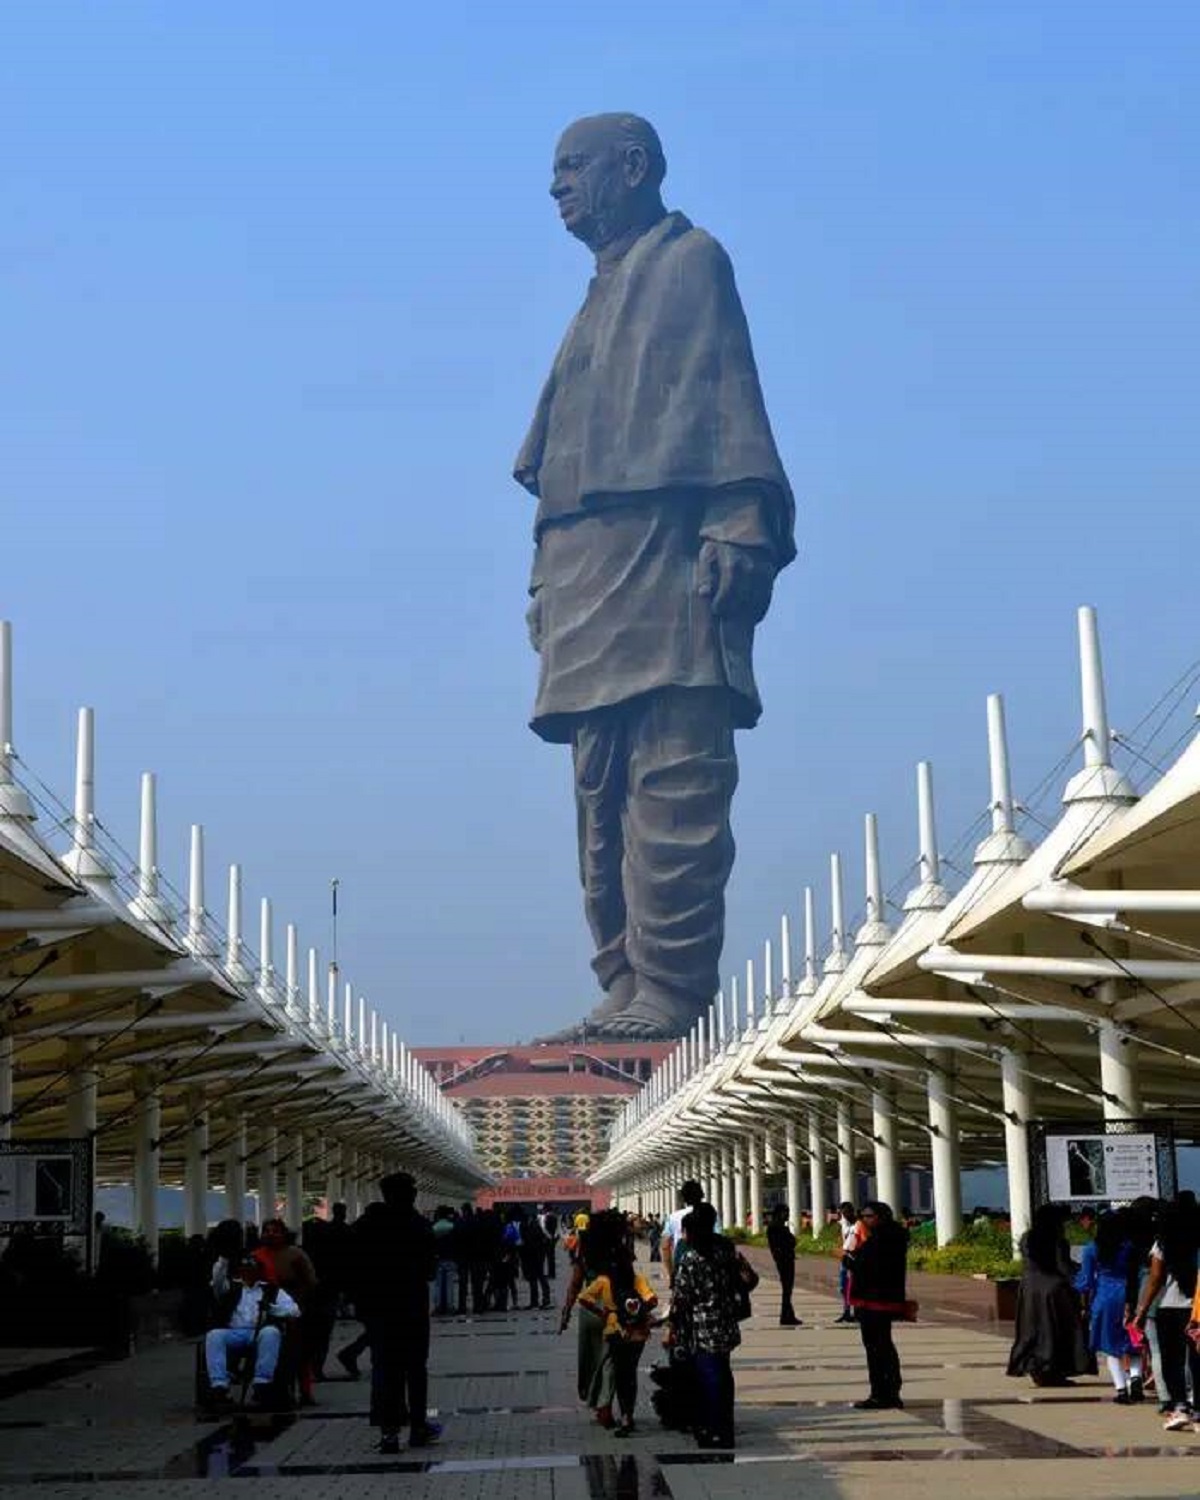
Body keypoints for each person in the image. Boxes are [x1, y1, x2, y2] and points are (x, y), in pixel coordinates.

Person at [516, 113, 796, 1042]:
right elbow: (554, 456)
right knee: (598, 791)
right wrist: (541, 582)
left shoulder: (690, 261)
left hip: (667, 557)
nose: (556, 187)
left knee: (676, 775)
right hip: (584, 568)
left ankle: (672, 991)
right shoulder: (598, 292)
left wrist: (740, 518)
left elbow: (729, 398)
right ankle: (624, 980)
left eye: (571, 168)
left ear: (631, 168)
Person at [352, 1172, 441, 1453]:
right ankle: (418, 1427)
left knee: (384, 1370)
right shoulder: (419, 1225)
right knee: (415, 1368)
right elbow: (429, 1270)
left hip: (378, 1310)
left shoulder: (365, 1226)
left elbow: (353, 1267)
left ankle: (389, 1432)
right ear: (408, 1194)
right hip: (411, 1307)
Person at [668, 1202, 743, 1448]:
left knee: (709, 1378)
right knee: (724, 1375)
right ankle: (726, 1428)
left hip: (702, 1326)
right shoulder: (724, 1250)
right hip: (726, 1321)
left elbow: (682, 1297)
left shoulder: (692, 1258)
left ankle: (713, 1429)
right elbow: (743, 1280)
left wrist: (673, 1326)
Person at [1007, 1203, 1093, 1388]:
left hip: (1029, 1288)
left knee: (1032, 1330)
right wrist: (1082, 1276)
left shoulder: (1027, 1237)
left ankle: (1036, 1367)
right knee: (1055, 1330)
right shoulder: (1056, 1239)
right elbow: (1063, 1267)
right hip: (1053, 1289)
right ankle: (1053, 1370)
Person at [1133, 1198, 1200, 1431]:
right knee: (1196, 1360)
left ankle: (1179, 1407)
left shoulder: (1163, 1242)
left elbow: (1155, 1279)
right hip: (1196, 1308)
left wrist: (1142, 1310)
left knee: (1171, 1359)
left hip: (1169, 1307)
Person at [579, 1238, 657, 1436]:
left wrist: (603, 1312)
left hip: (615, 1332)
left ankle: (624, 1418)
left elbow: (584, 1298)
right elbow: (652, 1300)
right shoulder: (637, 1280)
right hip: (637, 1333)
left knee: (621, 1373)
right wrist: (637, 1312)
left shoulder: (604, 1281)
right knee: (630, 1374)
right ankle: (628, 1415)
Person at [205, 1253, 300, 1409]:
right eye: (245, 1270)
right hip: (236, 1332)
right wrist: (223, 1260)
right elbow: (217, 1282)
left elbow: (294, 1310)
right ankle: (219, 1386)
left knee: (271, 1332)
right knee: (214, 1335)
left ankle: (262, 1384)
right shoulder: (231, 1287)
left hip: (260, 1332)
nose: (248, 1274)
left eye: (252, 1270)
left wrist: (272, 1309)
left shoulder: (271, 1290)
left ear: (259, 1272)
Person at [843, 1201, 909, 1410]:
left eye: (868, 1216)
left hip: (874, 1301)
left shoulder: (881, 1239)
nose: (864, 1220)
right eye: (862, 1216)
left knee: (876, 1348)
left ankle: (881, 1394)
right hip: (883, 1300)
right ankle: (890, 1391)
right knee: (884, 1346)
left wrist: (849, 1260)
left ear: (881, 1216)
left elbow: (867, 1266)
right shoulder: (892, 1237)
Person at [1074, 1208, 1144, 1403]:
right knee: (1133, 1341)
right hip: (1129, 1295)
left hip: (1104, 1298)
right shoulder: (1129, 1247)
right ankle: (1136, 1377)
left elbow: (1085, 1282)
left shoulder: (1091, 1248)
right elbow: (1136, 1273)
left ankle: (1121, 1389)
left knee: (1109, 1345)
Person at [560, 1208, 620, 1427]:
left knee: (590, 1357)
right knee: (610, 1357)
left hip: (589, 1306)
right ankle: (605, 1403)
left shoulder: (585, 1249)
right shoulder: (618, 1249)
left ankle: (595, 1400)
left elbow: (575, 1282)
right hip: (612, 1306)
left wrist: (566, 1311)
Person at [257, 1218, 319, 1405]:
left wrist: (300, 1304)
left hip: (295, 1308)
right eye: (267, 1231)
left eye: (275, 1231)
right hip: (267, 1310)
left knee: (300, 1352)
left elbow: (311, 1282)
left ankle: (305, 1390)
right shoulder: (257, 1256)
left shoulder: (295, 1255)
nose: (270, 1234)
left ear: (284, 1234)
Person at [663, 1181, 721, 1289]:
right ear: (701, 1195)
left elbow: (665, 1246)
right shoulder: (710, 1213)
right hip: (711, 1265)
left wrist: (670, 1273)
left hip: (682, 1265)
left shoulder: (673, 1217)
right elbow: (718, 1236)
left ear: (683, 1198)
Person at [767, 1204, 800, 1327]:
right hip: (784, 1261)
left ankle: (788, 1314)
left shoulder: (777, 1227)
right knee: (787, 1289)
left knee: (787, 1289)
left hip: (785, 1260)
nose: (788, 1215)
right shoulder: (777, 1227)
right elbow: (789, 1242)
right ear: (780, 1213)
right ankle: (785, 1316)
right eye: (786, 1212)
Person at [835, 1203, 861, 1324]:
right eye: (842, 1213)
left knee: (854, 1286)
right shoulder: (844, 1224)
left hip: (855, 1260)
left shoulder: (858, 1224)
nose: (844, 1215)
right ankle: (846, 1311)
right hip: (845, 1259)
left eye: (846, 1212)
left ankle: (856, 1312)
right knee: (843, 1287)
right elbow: (842, 1239)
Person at [431, 1206, 459, 1316]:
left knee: (438, 1284)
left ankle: (438, 1307)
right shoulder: (452, 1227)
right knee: (449, 1284)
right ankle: (449, 1307)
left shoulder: (434, 1227)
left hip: (438, 1259)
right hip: (450, 1258)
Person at [521, 1212, 552, 1309]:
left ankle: (535, 1301)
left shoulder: (530, 1228)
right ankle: (545, 1300)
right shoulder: (538, 1227)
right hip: (539, 1256)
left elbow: (528, 1244)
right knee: (540, 1278)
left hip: (533, 1257)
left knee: (534, 1279)